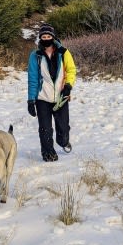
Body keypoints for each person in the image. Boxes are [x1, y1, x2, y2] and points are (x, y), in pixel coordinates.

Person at [27, 23, 76, 162]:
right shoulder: (35, 56)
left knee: (63, 128)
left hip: (61, 96)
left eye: (49, 36)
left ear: (53, 37)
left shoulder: (64, 52)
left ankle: (64, 141)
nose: (46, 38)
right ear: (40, 38)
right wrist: (31, 100)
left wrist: (68, 86)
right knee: (45, 129)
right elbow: (33, 79)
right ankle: (48, 153)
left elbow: (71, 70)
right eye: (44, 36)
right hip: (42, 98)